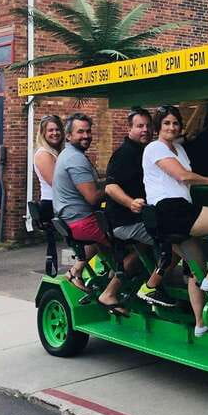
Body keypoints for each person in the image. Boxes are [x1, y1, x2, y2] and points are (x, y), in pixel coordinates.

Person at [142, 105, 208, 337]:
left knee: (196, 268)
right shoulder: (154, 147)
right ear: (158, 127)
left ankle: (200, 323)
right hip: (170, 210)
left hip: (175, 211)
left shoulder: (179, 149)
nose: (171, 127)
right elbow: (182, 176)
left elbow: (187, 176)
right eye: (166, 123)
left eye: (175, 123)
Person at [53, 113, 129, 315]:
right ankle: (112, 292)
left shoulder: (67, 154)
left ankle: (76, 271)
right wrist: (114, 187)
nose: (86, 135)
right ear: (68, 136)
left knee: (108, 239)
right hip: (82, 221)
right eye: (80, 132)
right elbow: (93, 197)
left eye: (88, 131)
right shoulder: (75, 159)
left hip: (71, 219)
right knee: (136, 247)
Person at [104, 107, 180, 307]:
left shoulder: (148, 150)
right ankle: (152, 288)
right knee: (178, 244)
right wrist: (130, 202)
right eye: (139, 126)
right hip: (126, 220)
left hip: (137, 218)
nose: (145, 130)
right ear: (129, 128)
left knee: (146, 247)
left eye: (148, 126)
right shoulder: (125, 154)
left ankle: (112, 292)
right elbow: (110, 187)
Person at [33, 114, 64, 273]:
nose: (55, 133)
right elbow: (55, 182)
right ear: (43, 133)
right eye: (50, 130)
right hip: (52, 204)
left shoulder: (55, 152)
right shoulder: (44, 153)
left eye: (57, 129)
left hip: (57, 202)